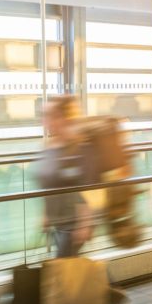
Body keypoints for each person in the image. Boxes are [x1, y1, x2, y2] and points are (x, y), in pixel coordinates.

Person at [36, 95, 98, 258]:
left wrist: (85, 225)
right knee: (72, 269)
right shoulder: (49, 147)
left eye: (50, 116)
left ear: (64, 118)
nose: (45, 121)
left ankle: (107, 284)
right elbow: (46, 182)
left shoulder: (79, 149)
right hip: (58, 220)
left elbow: (86, 188)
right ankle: (108, 284)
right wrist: (46, 215)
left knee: (64, 267)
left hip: (74, 223)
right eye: (44, 116)